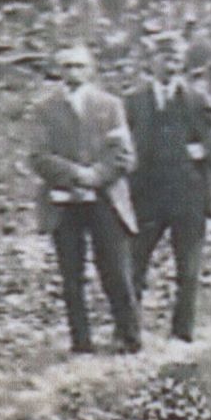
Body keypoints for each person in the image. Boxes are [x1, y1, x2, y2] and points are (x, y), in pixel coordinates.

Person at [30, 43, 141, 359]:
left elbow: (124, 155)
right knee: (71, 275)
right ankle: (82, 343)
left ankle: (129, 338)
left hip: (105, 198)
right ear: (58, 71)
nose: (73, 72)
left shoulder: (110, 106)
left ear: (91, 69)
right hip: (64, 202)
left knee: (116, 271)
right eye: (66, 66)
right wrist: (73, 175)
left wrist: (96, 176)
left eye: (79, 65)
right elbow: (38, 156)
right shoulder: (44, 109)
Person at [123, 45, 211, 347]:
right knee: (134, 266)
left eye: (174, 57)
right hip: (146, 197)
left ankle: (182, 334)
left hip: (189, 196)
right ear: (150, 62)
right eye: (162, 56)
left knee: (188, 270)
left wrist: (207, 151)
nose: (168, 63)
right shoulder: (134, 101)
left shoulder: (196, 98)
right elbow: (116, 137)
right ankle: (131, 334)